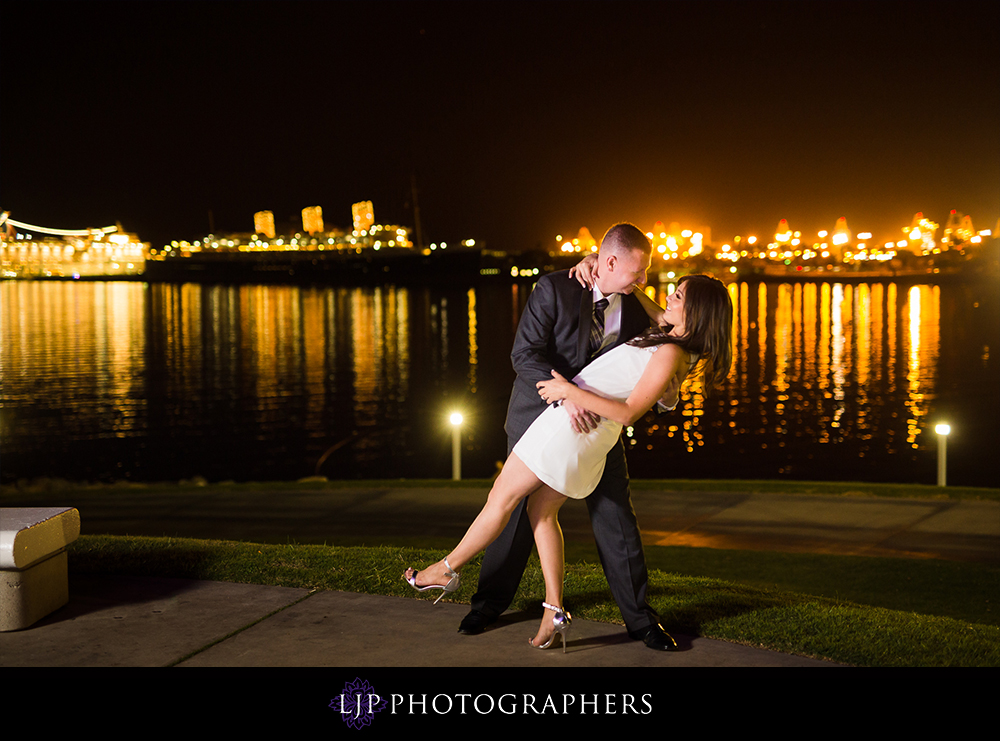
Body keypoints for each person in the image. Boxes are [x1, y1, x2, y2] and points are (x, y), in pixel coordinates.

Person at [404, 223, 733, 651]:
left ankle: (636, 618)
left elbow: (653, 381)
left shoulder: (650, 318)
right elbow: (524, 354)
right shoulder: (556, 288)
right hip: (545, 416)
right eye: (639, 272)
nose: (647, 282)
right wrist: (566, 396)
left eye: (650, 276)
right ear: (608, 262)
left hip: (595, 428)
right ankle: (509, 605)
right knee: (532, 514)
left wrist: (581, 395)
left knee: (604, 517)